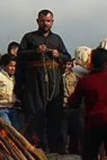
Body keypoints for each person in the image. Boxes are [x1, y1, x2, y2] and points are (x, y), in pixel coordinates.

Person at [17, 10, 71, 151]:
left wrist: (58, 55)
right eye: (42, 21)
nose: (45, 23)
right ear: (37, 21)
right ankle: (37, 145)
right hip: (35, 79)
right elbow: (20, 55)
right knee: (36, 112)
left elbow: (67, 56)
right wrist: (36, 51)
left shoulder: (57, 39)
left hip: (54, 79)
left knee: (55, 112)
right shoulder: (29, 37)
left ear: (52, 22)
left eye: (48, 21)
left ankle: (55, 146)